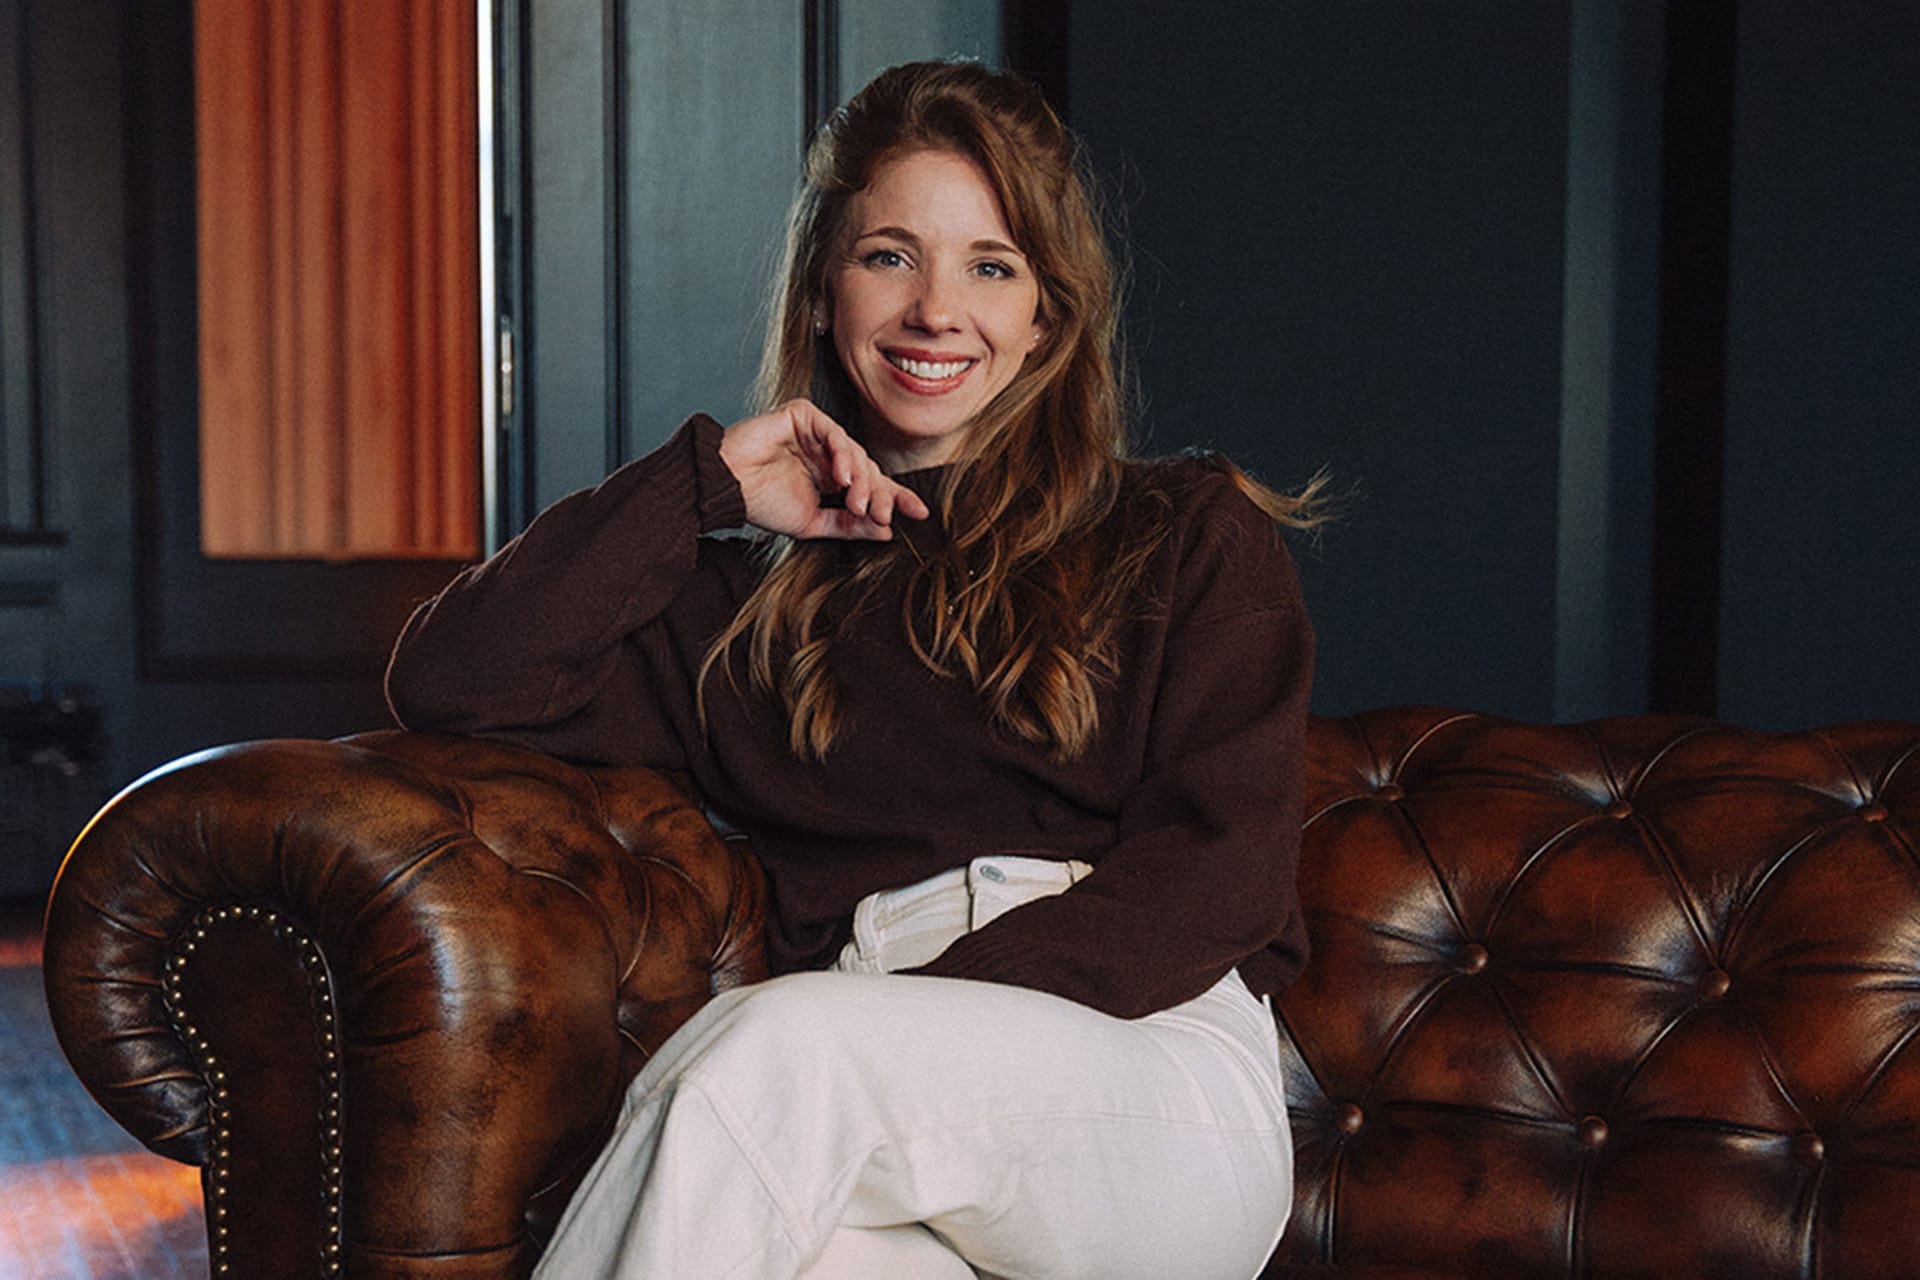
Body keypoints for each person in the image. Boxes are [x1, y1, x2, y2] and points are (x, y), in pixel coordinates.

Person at [386, 59, 1320, 1280]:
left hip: (1149, 1081)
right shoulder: (746, 611)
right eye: (890, 256)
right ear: (826, 289)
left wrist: (905, 1016)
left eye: (992, 265)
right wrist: (706, 481)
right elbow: (454, 676)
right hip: (867, 1098)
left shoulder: (1186, 533)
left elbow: (1222, 877)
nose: (938, 310)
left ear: (1047, 313)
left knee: (761, 1063)